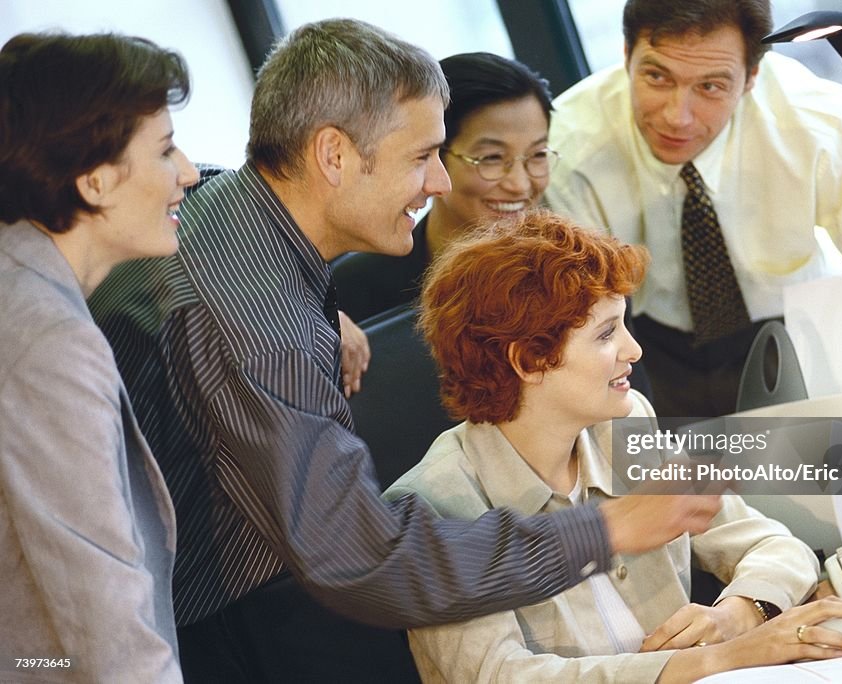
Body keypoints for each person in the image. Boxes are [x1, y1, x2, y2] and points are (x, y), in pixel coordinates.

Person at [88, 19, 724, 682]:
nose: (440, 183)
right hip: (194, 625)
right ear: (333, 156)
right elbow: (362, 561)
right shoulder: (264, 329)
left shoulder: (226, 216)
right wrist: (606, 529)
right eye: (422, 157)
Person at [384, 209, 842, 682]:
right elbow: (504, 677)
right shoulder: (432, 506)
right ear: (529, 361)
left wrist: (740, 613)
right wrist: (719, 660)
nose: (634, 350)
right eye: (605, 334)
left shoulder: (623, 426)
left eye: (623, 323)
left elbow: (772, 543)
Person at [546, 0, 842, 418]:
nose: (677, 117)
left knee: (817, 467)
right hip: (646, 341)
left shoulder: (818, 123)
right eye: (656, 76)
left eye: (710, 87)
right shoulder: (570, 147)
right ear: (626, 55)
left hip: (793, 325)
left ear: (752, 76)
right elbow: (579, 314)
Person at [0, 32, 198, 682]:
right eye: (166, 150)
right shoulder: (45, 338)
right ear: (94, 180)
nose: (190, 174)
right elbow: (104, 620)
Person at [334, 51, 555, 324]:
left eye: (537, 155)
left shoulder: (568, 273)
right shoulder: (353, 291)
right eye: (491, 158)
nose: (520, 185)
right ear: (431, 156)